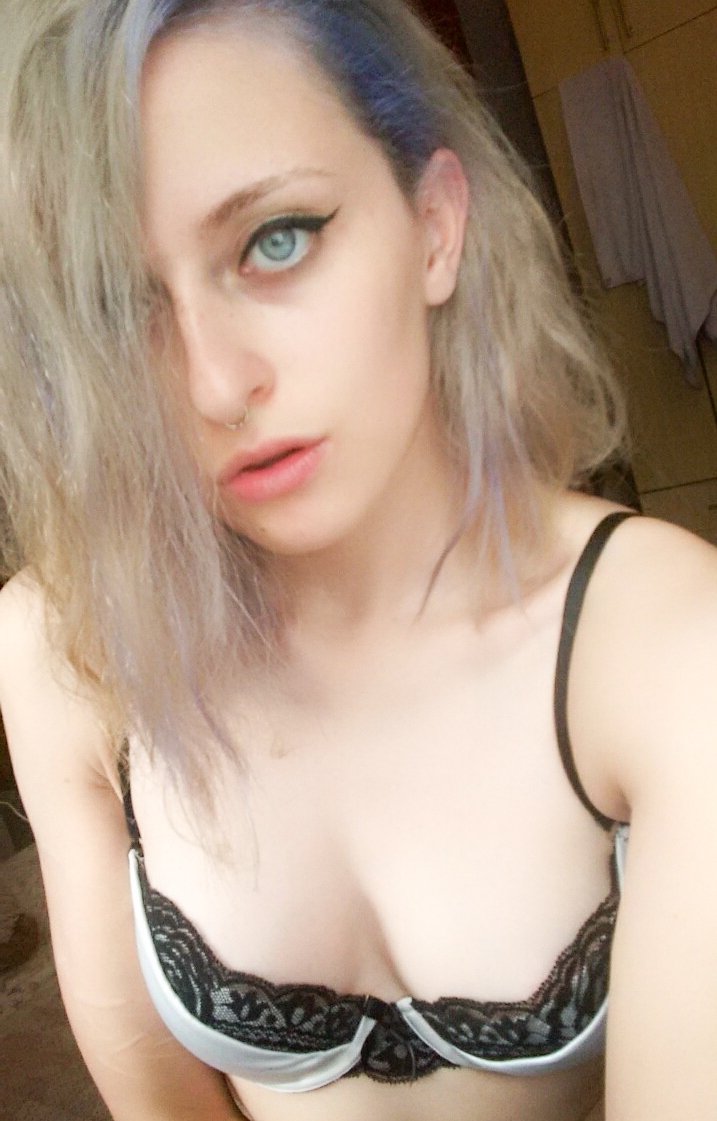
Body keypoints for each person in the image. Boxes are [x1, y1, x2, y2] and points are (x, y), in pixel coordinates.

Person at [0, 1, 716, 1119]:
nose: (214, 385)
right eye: (124, 303)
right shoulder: (73, 648)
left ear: (434, 226)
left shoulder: (660, 646)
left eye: (276, 239)